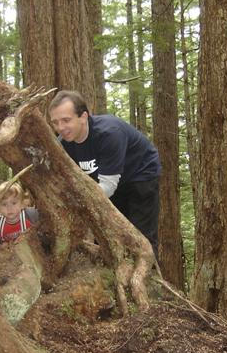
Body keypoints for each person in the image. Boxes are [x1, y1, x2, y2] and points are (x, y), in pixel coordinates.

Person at [48, 90, 161, 254]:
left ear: (84, 117)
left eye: (66, 120)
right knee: (106, 235)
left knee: (140, 236)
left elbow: (107, 187)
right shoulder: (63, 145)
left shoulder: (109, 134)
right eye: (55, 122)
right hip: (106, 181)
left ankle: (147, 277)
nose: (61, 128)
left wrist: (77, 202)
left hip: (140, 173)